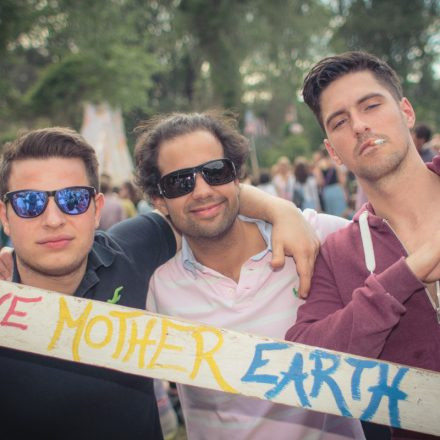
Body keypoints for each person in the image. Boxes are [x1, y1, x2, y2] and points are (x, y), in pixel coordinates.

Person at [0, 127, 320, 439]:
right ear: (5, 216)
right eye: (29, 203)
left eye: (73, 200)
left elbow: (200, 200)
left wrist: (282, 212)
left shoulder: (132, 250)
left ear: (97, 209)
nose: (53, 219)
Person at [135, 111, 364, 439]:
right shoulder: (159, 288)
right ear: (159, 200)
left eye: (215, 171)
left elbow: (398, 242)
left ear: (236, 177)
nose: (202, 190)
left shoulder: (313, 237)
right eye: (179, 182)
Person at [285, 51, 440, 440]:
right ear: (332, 151)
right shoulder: (339, 253)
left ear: (406, 112)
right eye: (340, 121)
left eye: (371, 105)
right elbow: (305, 363)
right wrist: (401, 279)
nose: (359, 125)